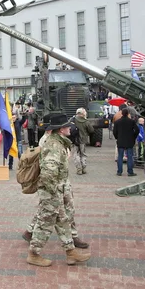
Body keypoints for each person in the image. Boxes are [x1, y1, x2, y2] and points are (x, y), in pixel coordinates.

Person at [26, 114, 91, 267]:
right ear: (61, 129)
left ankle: (71, 252)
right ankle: (33, 254)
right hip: (52, 191)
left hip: (57, 190)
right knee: (44, 223)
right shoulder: (54, 145)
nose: (70, 128)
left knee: (63, 221)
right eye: (68, 126)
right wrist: (53, 192)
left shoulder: (58, 143)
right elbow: (49, 172)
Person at [113, 108, 139, 176]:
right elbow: (137, 130)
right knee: (130, 157)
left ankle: (119, 171)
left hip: (120, 141)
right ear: (128, 114)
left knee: (120, 157)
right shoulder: (131, 122)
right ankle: (130, 172)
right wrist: (133, 137)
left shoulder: (117, 122)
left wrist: (117, 137)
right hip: (129, 141)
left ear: (122, 113)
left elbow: (114, 132)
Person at [71, 108, 94, 175]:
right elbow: (91, 130)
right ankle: (84, 168)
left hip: (74, 140)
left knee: (76, 154)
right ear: (83, 113)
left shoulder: (73, 120)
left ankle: (79, 169)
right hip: (83, 140)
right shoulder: (86, 121)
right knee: (83, 154)